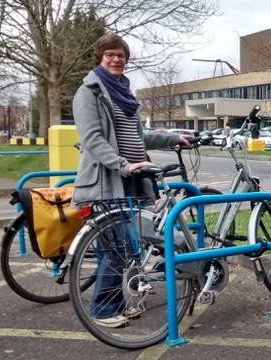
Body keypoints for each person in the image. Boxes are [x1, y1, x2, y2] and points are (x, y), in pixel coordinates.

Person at [72, 34, 192, 328]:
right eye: (110, 54)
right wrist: (124, 165)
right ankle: (102, 309)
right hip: (107, 180)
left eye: (121, 55)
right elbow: (93, 140)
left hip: (134, 180)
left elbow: (140, 136)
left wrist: (174, 137)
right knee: (118, 245)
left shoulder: (124, 93)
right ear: (100, 57)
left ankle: (119, 302)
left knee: (127, 246)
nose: (116, 59)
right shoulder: (89, 93)